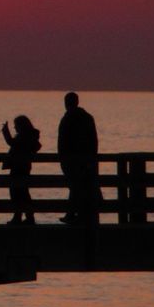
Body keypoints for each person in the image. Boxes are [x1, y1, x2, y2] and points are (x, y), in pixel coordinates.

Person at [56, 91, 99, 225]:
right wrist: (92, 157)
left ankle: (74, 214)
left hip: (71, 160)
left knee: (75, 187)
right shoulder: (87, 117)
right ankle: (79, 215)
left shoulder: (68, 118)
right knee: (81, 187)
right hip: (86, 159)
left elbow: (62, 141)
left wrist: (62, 159)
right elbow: (94, 140)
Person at [0, 115, 41, 224]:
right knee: (22, 192)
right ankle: (26, 217)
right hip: (24, 167)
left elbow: (12, 143)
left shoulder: (24, 137)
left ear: (21, 126)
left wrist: (5, 131)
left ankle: (20, 217)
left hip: (18, 167)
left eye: (16, 125)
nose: (15, 128)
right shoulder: (30, 136)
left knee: (17, 192)